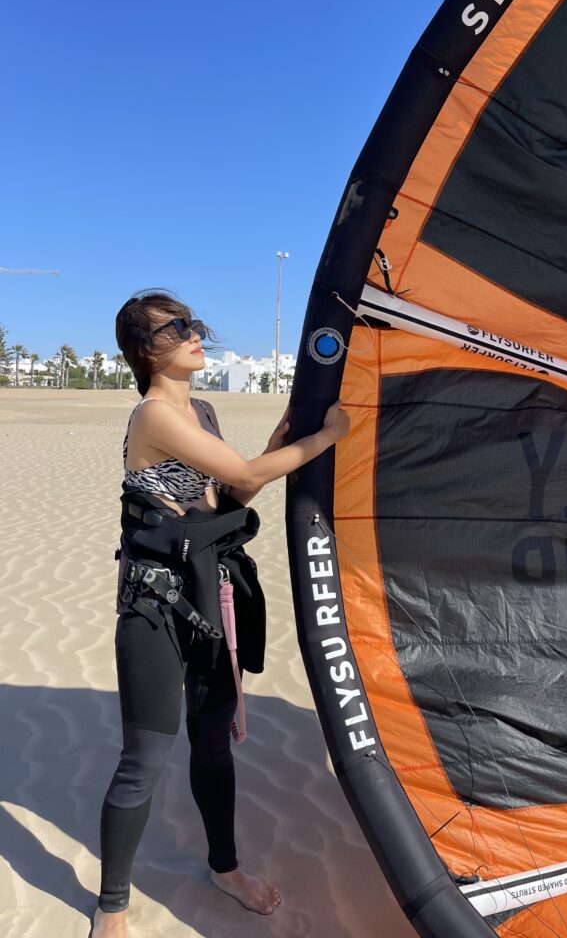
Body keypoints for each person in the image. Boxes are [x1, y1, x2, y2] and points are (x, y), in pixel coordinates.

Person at [91, 288, 349, 938]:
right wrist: (328, 436)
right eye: (178, 327)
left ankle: (224, 869)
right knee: (143, 760)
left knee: (213, 748)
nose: (195, 333)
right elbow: (243, 470)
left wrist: (272, 445)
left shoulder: (199, 409)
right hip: (154, 604)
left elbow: (231, 488)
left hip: (208, 597)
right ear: (145, 351)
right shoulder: (153, 414)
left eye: (194, 322)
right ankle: (111, 906)